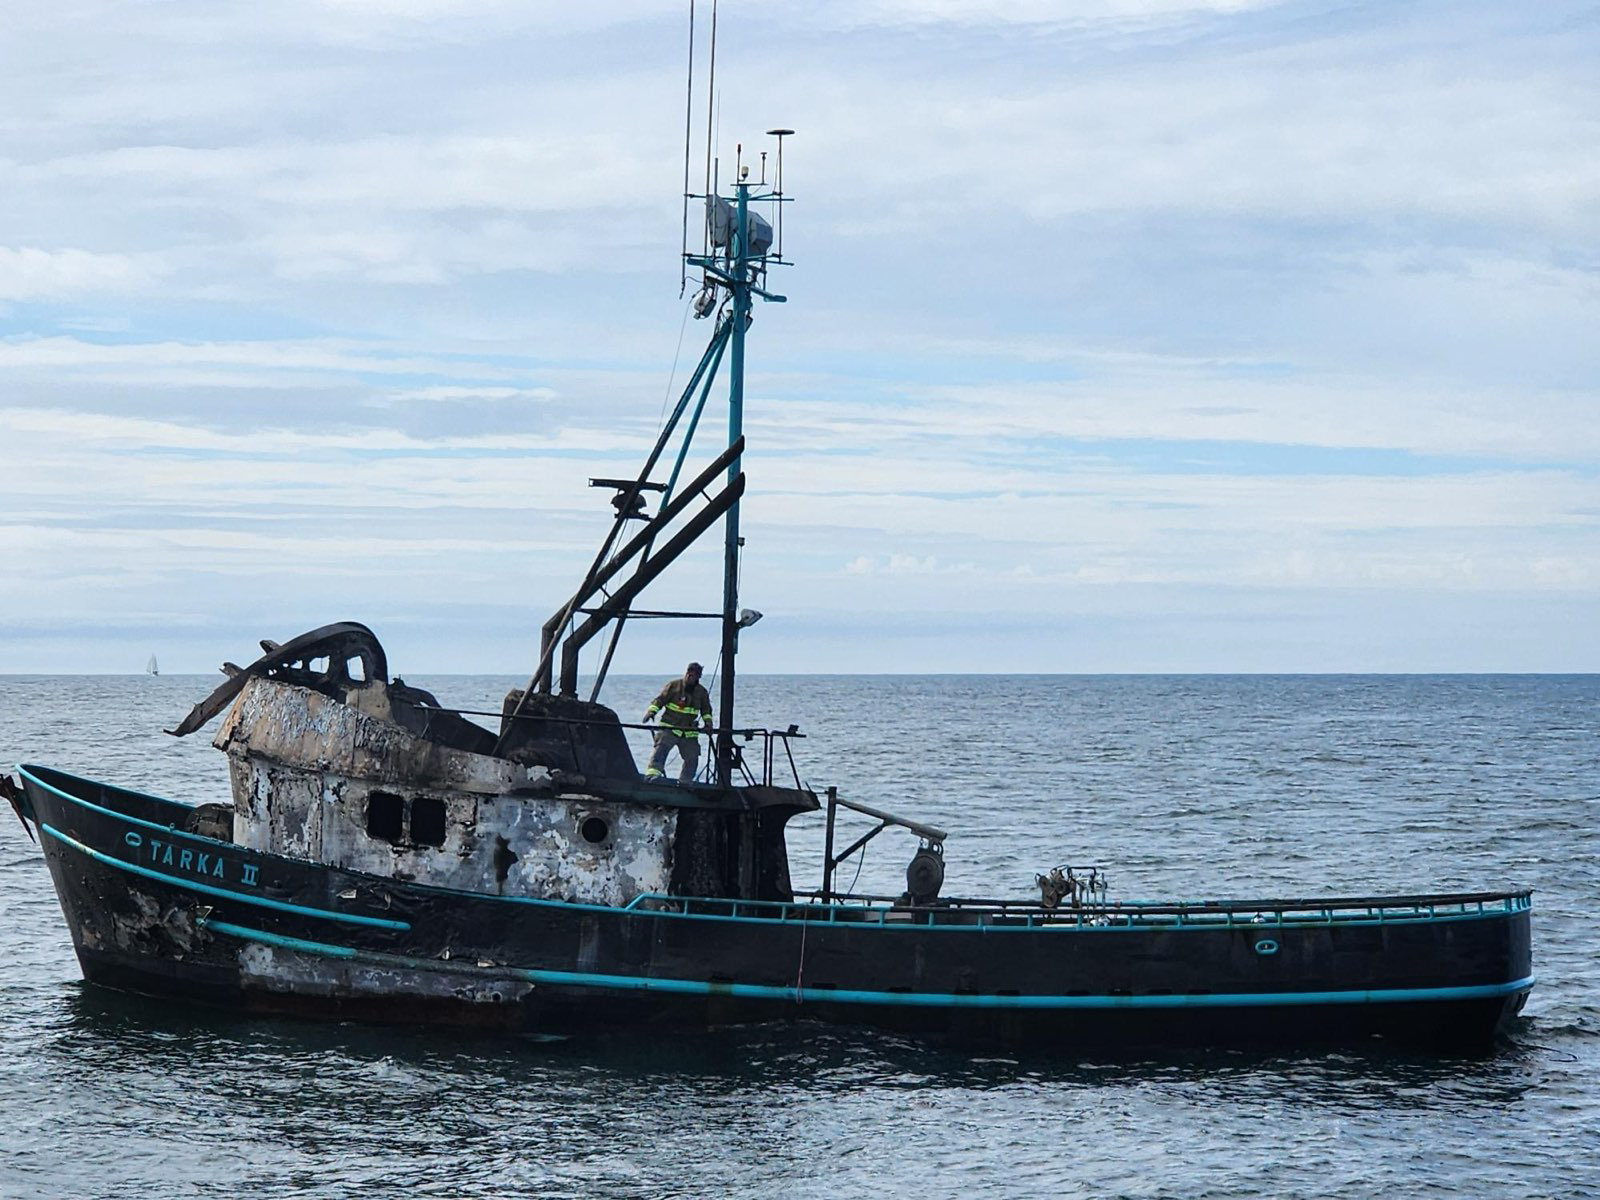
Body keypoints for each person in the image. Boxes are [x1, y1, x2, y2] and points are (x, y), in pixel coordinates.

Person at [642, 662, 713, 781]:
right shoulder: (674, 686)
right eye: (689, 674)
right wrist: (651, 712)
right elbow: (660, 700)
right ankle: (652, 775)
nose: (691, 677)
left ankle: (685, 782)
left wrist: (708, 723)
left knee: (692, 757)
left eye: (695, 675)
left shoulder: (701, 692)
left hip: (689, 732)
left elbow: (706, 710)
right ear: (686, 673)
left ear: (698, 677)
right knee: (661, 750)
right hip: (670, 727)